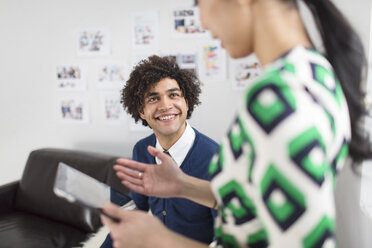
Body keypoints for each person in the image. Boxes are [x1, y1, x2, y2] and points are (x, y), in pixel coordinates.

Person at [101, 0, 372, 247]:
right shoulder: (314, 72)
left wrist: (158, 240)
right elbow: (253, 207)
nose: (203, 22)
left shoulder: (279, 97)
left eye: (199, 3)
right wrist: (183, 185)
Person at [100, 55, 218, 247]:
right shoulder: (142, 150)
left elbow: (226, 237)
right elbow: (134, 211)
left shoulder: (217, 159)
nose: (165, 106)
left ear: (187, 102)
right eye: (154, 98)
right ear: (141, 111)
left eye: (173, 95)